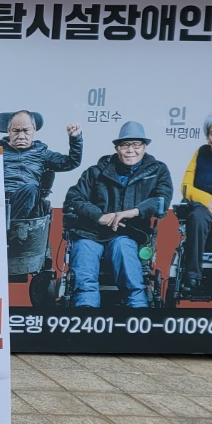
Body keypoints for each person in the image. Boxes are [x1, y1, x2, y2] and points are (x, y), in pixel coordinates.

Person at [62, 122, 174, 309]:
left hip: (128, 232)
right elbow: (73, 199)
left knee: (123, 247)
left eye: (136, 145)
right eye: (125, 145)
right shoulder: (96, 171)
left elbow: (161, 200)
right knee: (84, 250)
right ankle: (85, 310)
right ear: (116, 148)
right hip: (91, 233)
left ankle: (138, 308)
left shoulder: (157, 171)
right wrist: (100, 216)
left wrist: (132, 212)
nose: (131, 150)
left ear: (144, 147)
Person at [0, 110, 82, 223]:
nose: (21, 136)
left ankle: (8, 226)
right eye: (16, 131)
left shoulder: (41, 152)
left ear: (34, 129)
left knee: (31, 188)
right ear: (9, 130)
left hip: (27, 201)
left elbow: (71, 162)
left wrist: (75, 139)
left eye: (26, 131)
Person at [177, 115, 212, 298]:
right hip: (204, 209)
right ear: (208, 136)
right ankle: (192, 277)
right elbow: (185, 187)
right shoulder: (201, 153)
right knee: (197, 217)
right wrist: (208, 201)